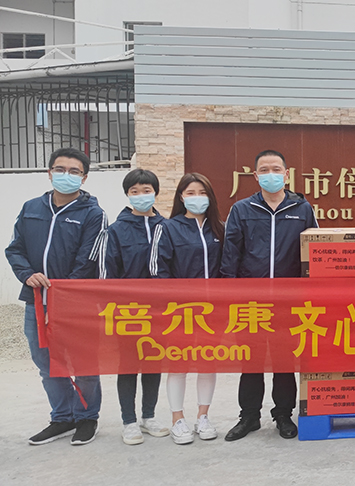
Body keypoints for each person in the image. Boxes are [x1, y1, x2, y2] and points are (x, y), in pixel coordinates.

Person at [6, 148, 108, 446]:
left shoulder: (93, 214)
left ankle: (87, 417)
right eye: (60, 169)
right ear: (49, 173)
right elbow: (15, 249)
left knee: (83, 363)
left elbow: (88, 260)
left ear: (84, 178)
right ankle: (62, 417)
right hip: (35, 301)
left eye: (74, 171)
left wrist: (63, 297)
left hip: (76, 303)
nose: (66, 175)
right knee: (46, 362)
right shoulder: (31, 208)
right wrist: (27, 274)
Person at [221, 149, 318, 441]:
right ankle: (249, 416)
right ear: (255, 176)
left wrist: (309, 295)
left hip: (288, 302)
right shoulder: (242, 209)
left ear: (287, 174)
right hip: (250, 302)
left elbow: (314, 253)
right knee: (250, 361)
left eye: (276, 169)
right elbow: (230, 255)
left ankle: (283, 415)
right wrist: (229, 296)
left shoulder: (302, 209)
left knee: (283, 362)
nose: (270, 174)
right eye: (264, 170)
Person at [98, 168, 170, 445]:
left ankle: (148, 416)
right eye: (135, 191)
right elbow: (107, 274)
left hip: (160, 311)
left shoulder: (167, 226)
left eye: (146, 190)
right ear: (127, 195)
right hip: (128, 312)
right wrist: (114, 310)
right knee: (128, 365)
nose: (141, 195)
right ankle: (128, 421)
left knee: (153, 362)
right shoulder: (115, 231)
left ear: (155, 192)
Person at [151, 173, 224, 445]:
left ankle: (203, 416)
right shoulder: (169, 228)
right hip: (179, 310)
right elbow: (159, 269)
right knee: (178, 364)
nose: (197, 198)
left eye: (202, 193)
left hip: (212, 312)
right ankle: (177, 419)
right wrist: (173, 302)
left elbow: (228, 267)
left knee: (208, 362)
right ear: (181, 197)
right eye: (190, 193)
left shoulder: (220, 228)